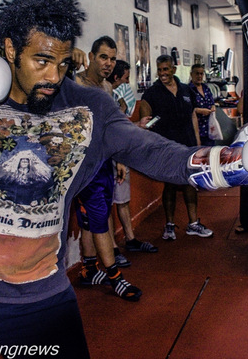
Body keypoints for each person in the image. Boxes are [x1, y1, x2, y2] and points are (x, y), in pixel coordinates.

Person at [0, 0, 248, 357]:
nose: (53, 77)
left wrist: (224, 164)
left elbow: (148, 150)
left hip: (42, 298)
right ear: (10, 49)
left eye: (61, 63)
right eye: (40, 61)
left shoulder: (88, 107)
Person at [73, 36, 142, 301]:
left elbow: (110, 128)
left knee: (90, 220)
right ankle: (115, 277)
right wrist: (69, 54)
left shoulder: (107, 89)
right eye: (103, 57)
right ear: (90, 56)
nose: (108, 63)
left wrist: (120, 159)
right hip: (82, 166)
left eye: (112, 59)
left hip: (103, 162)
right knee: (99, 218)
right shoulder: (74, 83)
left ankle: (90, 269)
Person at [139, 55, 214, 241]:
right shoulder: (151, 93)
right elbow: (146, 122)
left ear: (173, 69)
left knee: (190, 182)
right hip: (167, 148)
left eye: (166, 69)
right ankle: (170, 225)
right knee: (170, 185)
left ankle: (193, 223)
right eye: (160, 70)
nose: (163, 73)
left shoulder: (186, 90)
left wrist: (197, 144)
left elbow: (193, 116)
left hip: (188, 145)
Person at [106, 60, 158, 259]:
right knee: (107, 203)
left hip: (120, 152)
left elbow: (121, 127)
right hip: (107, 154)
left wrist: (137, 124)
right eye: (126, 77)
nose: (127, 82)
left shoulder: (116, 96)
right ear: (116, 77)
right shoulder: (103, 96)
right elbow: (109, 131)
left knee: (122, 199)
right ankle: (112, 248)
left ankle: (131, 239)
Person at [189, 63, 216, 146]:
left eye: (201, 73)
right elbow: (188, 109)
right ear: (191, 74)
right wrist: (200, 111)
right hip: (197, 131)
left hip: (209, 129)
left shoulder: (206, 88)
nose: (199, 76)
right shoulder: (188, 90)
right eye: (197, 73)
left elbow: (212, 103)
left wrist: (213, 107)